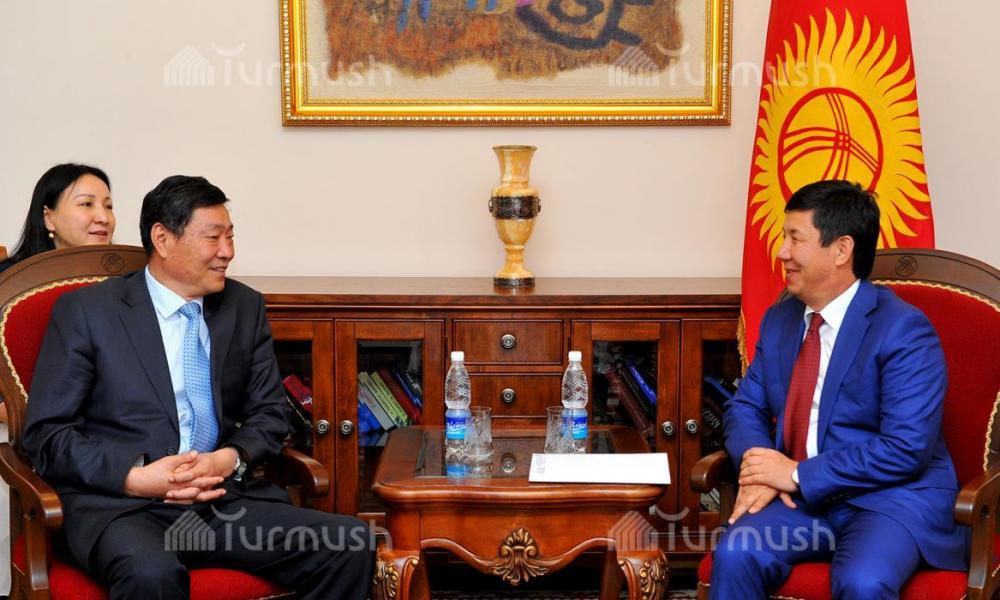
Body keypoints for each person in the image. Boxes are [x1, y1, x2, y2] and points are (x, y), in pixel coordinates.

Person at [23, 175, 373, 599]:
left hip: (220, 501)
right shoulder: (88, 311)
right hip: (124, 507)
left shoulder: (243, 307)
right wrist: (135, 478)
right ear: (163, 239)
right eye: (213, 237)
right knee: (151, 574)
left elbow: (269, 414)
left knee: (351, 543)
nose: (227, 251)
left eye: (230, 237)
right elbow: (48, 434)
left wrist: (227, 459)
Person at [710, 180, 969, 599]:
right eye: (784, 237)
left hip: (887, 501)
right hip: (801, 503)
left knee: (862, 581)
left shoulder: (902, 329)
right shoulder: (780, 319)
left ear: (842, 249)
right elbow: (744, 408)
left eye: (795, 239)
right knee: (736, 553)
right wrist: (761, 468)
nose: (782, 253)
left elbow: (905, 447)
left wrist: (795, 474)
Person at [0, 163, 116, 273]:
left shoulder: (124, 276)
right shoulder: (9, 277)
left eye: (108, 206)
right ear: (49, 218)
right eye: (86, 204)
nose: (104, 218)